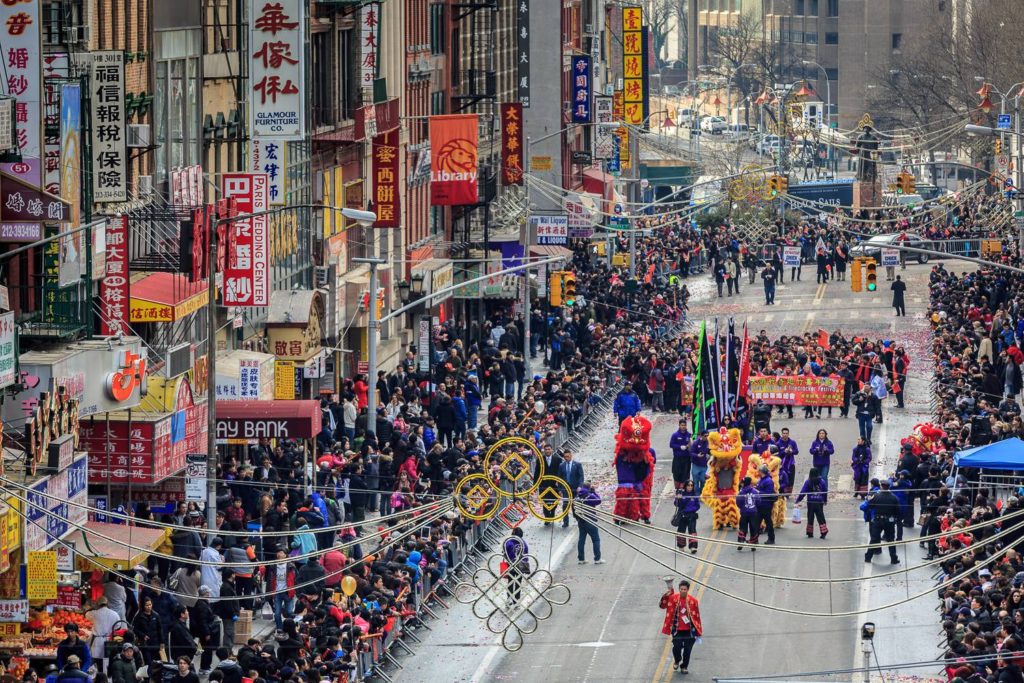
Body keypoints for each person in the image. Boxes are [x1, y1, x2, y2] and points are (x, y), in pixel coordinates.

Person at [659, 580, 703, 675]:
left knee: (688, 650)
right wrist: (669, 592)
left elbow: (697, 617)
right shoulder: (673, 598)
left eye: (685, 589)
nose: (683, 591)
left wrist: (698, 632)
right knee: (676, 648)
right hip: (677, 630)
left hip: (690, 631)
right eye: (681, 589)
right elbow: (663, 605)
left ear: (688, 590)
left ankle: (684, 667)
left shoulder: (693, 601)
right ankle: (677, 660)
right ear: (679, 589)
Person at [865, 479, 901, 564]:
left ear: (881, 486)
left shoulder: (876, 496)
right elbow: (897, 511)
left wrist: (870, 499)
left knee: (874, 539)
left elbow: (870, 506)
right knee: (891, 540)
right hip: (889, 521)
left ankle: (868, 557)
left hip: (878, 520)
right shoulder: (894, 497)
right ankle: (893, 558)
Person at [86, 597, 120, 673]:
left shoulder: (95, 613)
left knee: (96, 662)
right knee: (106, 663)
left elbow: (86, 614)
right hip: (108, 641)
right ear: (107, 603)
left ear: (98, 604)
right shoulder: (114, 614)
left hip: (97, 641)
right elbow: (118, 626)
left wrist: (93, 608)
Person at [189, 586, 218, 674]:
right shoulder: (203, 606)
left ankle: (204, 667)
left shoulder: (202, 603)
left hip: (202, 632)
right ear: (204, 594)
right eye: (207, 593)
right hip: (204, 633)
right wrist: (207, 633)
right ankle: (205, 668)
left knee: (203, 649)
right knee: (207, 650)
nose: (209, 594)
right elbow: (203, 621)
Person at [795, 467, 829, 539]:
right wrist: (825, 500)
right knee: (820, 517)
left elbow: (803, 492)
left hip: (810, 502)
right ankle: (823, 532)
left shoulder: (808, 482)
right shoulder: (822, 481)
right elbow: (825, 492)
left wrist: (798, 500)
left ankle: (810, 533)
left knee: (810, 517)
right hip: (819, 502)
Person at [574, 481, 603, 564]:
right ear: (589, 488)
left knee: (581, 540)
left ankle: (581, 559)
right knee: (596, 540)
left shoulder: (577, 496)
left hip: (581, 520)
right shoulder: (590, 496)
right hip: (590, 520)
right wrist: (594, 491)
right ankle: (597, 559)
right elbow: (599, 500)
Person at [130, 597, 163, 667]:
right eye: (147, 605)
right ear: (143, 606)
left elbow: (160, 629)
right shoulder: (139, 616)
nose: (149, 607)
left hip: (155, 643)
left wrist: (162, 642)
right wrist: (142, 635)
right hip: (145, 644)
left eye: (150, 604)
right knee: (148, 663)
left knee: (157, 663)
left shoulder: (156, 615)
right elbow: (134, 628)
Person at [503, 527, 529, 604]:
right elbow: (526, 555)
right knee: (518, 582)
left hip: (510, 564)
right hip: (520, 564)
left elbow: (504, 552)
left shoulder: (508, 542)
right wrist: (526, 566)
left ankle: (509, 598)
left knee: (510, 581)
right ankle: (516, 599)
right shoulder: (523, 543)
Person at [559, 450, 584, 528]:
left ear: (571, 456)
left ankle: (578, 520)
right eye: (565, 457)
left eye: (568, 456)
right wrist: (560, 489)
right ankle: (565, 522)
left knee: (575, 505)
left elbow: (581, 477)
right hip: (565, 489)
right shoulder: (561, 465)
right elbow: (559, 478)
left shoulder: (577, 465)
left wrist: (580, 486)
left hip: (575, 489)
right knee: (565, 505)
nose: (566, 458)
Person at [674, 481, 700, 553]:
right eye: (688, 485)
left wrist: (690, 509)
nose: (690, 487)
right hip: (683, 516)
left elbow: (697, 506)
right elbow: (676, 504)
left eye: (691, 485)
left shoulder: (694, 495)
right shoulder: (681, 494)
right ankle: (681, 546)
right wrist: (678, 498)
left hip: (692, 516)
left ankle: (693, 547)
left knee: (692, 531)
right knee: (681, 531)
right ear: (686, 486)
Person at [736, 476, 761, 549]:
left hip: (744, 513)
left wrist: (742, 508)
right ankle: (753, 545)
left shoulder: (741, 492)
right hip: (753, 513)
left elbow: (738, 502)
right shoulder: (755, 491)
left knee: (743, 528)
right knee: (753, 529)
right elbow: (759, 501)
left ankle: (741, 542)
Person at [754, 465, 777, 545]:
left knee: (768, 522)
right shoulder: (762, 480)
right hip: (761, 504)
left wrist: (758, 492)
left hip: (766, 505)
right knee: (757, 522)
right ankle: (754, 539)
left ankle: (771, 538)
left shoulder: (768, 481)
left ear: (761, 472)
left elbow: (768, 493)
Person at [669, 419, 692, 488]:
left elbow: (692, 445)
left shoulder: (689, 435)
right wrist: (679, 447)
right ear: (679, 425)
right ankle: (677, 489)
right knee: (676, 474)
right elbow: (671, 445)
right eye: (682, 425)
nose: (683, 427)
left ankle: (683, 490)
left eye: (684, 425)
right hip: (677, 459)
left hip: (686, 459)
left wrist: (689, 445)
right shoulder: (675, 435)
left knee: (685, 475)